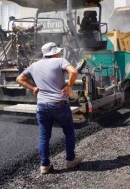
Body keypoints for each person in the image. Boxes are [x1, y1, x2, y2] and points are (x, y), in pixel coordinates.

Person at [16, 42, 82, 174]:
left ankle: (44, 165)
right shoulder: (60, 61)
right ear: (55, 52)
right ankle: (70, 160)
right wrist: (69, 87)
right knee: (69, 131)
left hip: (42, 106)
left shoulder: (34, 65)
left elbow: (19, 78)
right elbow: (74, 71)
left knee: (44, 136)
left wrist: (33, 88)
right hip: (59, 104)